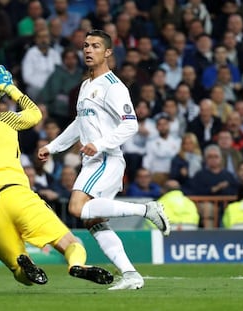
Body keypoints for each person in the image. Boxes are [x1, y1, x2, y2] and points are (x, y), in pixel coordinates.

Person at [0, 64, 113, 286]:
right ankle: (76, 265)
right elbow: (35, 114)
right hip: (16, 195)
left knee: (21, 273)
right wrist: (11, 88)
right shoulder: (4, 120)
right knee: (71, 243)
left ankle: (24, 262)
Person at [38, 30, 170, 291]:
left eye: (95, 46)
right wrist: (53, 146)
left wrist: (99, 144)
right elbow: (79, 123)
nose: (88, 50)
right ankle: (131, 274)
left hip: (106, 159)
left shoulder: (114, 87)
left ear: (108, 52)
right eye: (85, 45)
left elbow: (130, 126)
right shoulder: (86, 85)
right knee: (92, 221)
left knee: (77, 208)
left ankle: (147, 210)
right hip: (93, 162)